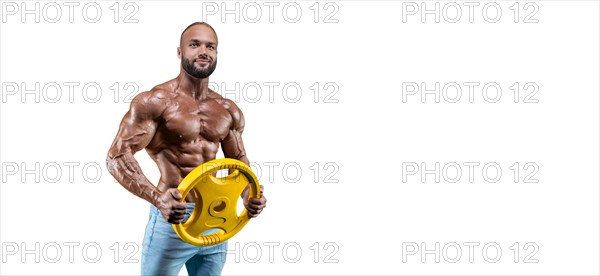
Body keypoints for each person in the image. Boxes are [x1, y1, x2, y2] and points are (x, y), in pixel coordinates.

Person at [106, 22, 267, 275]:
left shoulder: (227, 109)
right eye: (195, 45)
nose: (203, 51)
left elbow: (239, 160)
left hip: (215, 219)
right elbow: (117, 156)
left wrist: (248, 194)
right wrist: (158, 199)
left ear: (216, 53)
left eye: (210, 46)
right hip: (172, 219)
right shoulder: (155, 102)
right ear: (180, 52)